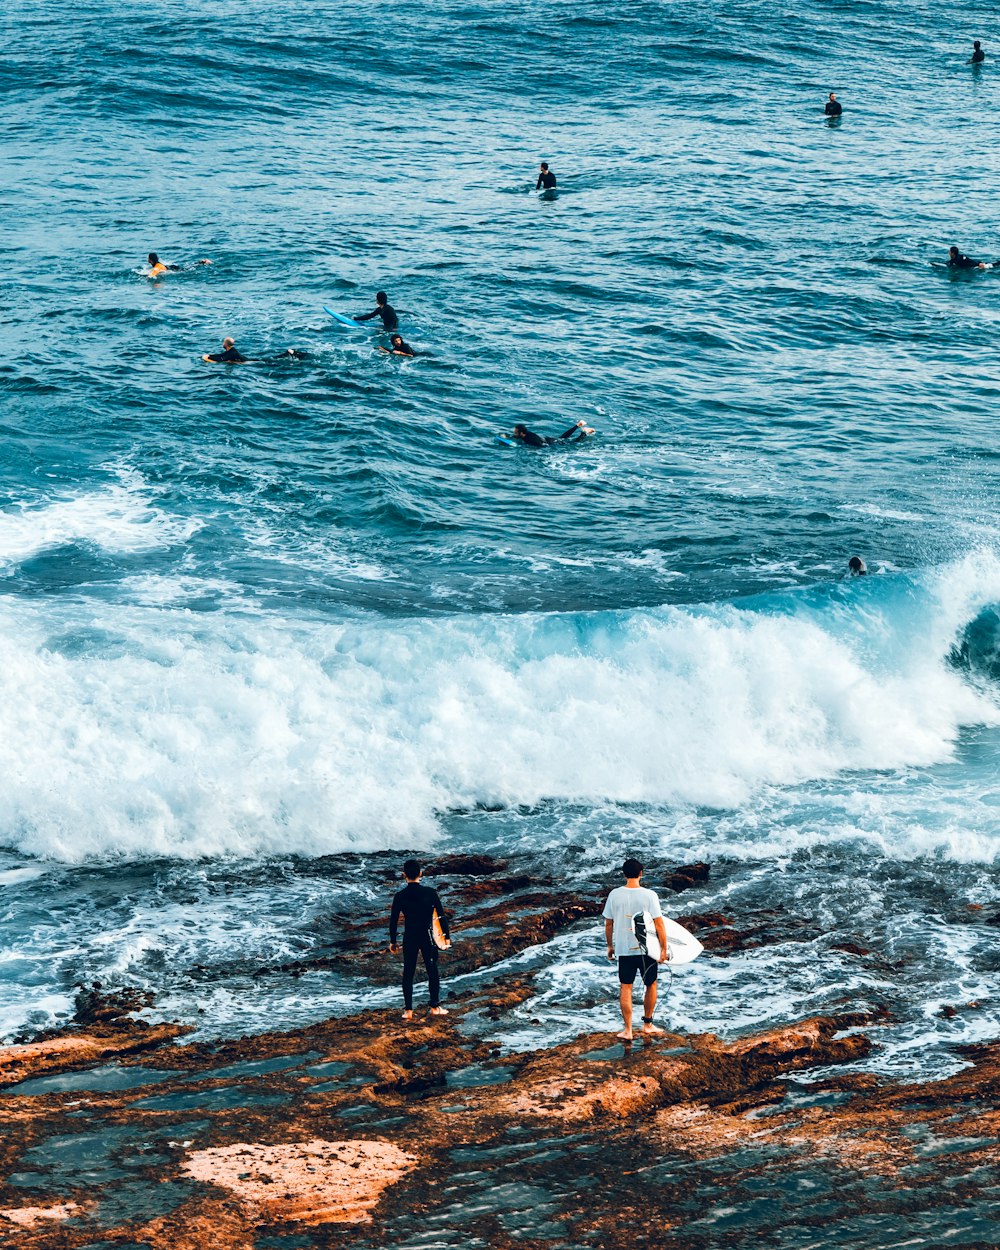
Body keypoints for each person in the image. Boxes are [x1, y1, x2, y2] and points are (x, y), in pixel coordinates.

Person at [603, 857, 668, 1041]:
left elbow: (609, 923)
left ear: (624, 874)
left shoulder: (614, 894)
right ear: (641, 874)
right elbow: (659, 924)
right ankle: (647, 1025)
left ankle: (628, 1030)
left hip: (624, 949)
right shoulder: (650, 895)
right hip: (647, 949)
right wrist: (663, 949)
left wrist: (610, 946)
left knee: (626, 987)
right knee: (651, 984)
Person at [389, 859, 450, 1020]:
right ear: (421, 874)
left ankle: (408, 1011)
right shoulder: (430, 893)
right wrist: (447, 937)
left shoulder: (400, 896)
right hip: (427, 937)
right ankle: (434, 1007)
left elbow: (393, 920)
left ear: (404, 875)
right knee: (432, 970)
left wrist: (393, 941)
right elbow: (441, 916)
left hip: (410, 937)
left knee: (408, 973)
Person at [510, 419, 595, 447]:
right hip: (549, 439)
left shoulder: (529, 439)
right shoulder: (527, 434)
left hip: (551, 443)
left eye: (516, 432)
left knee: (572, 443)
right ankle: (577, 425)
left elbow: (541, 446)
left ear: (521, 433)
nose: (515, 433)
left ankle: (584, 433)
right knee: (563, 437)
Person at [146, 252, 211, 277]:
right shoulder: (157, 264)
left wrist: (148, 277)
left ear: (150, 260)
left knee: (186, 269)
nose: (147, 259)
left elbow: (152, 275)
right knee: (187, 268)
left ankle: (203, 263)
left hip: (172, 269)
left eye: (148, 257)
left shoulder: (157, 266)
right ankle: (201, 262)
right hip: (171, 267)